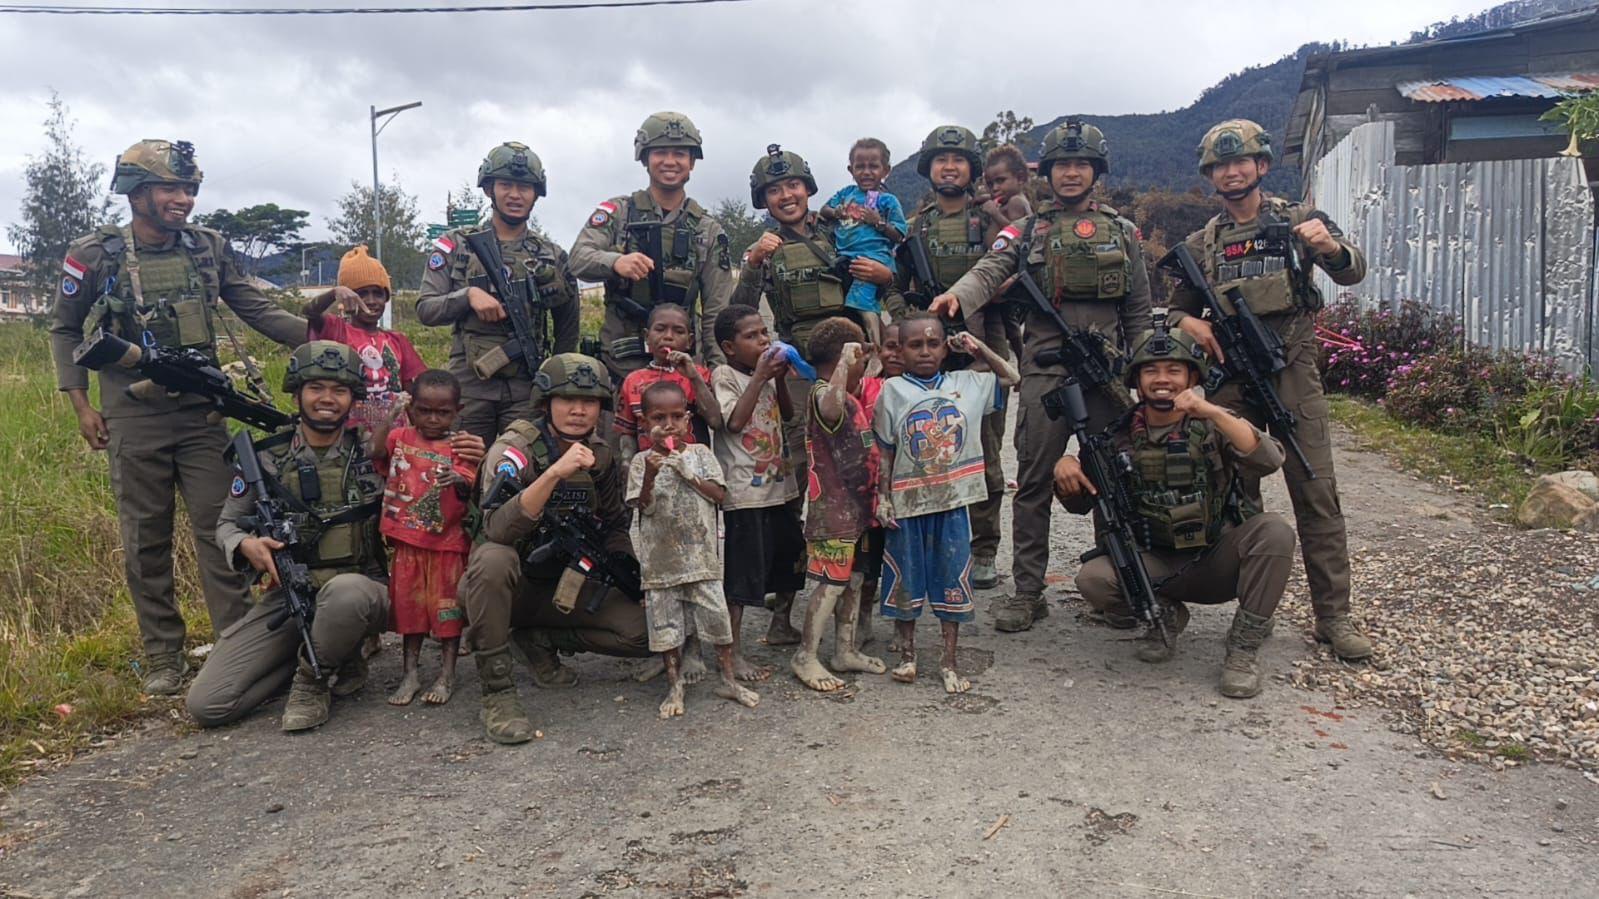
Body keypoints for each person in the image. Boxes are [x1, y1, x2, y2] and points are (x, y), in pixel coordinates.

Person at [49, 139, 308, 695]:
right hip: (132, 415)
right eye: (170, 188)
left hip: (201, 415)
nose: (184, 199)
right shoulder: (95, 255)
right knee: (145, 539)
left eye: (189, 189)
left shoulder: (207, 248)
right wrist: (81, 404)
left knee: (224, 532)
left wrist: (323, 337)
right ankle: (163, 655)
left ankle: (236, 645)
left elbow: (253, 306)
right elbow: (65, 328)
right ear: (136, 193)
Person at [185, 343, 486, 730]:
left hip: (371, 593)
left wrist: (472, 455)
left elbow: (445, 477)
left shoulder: (380, 451)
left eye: (339, 390)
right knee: (209, 704)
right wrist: (246, 544)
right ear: (296, 394)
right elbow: (227, 523)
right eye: (315, 388)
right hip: (294, 595)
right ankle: (326, 654)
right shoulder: (267, 458)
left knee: (347, 593)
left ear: (353, 398)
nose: (327, 399)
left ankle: (312, 682)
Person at [930, 119, 1154, 633]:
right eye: (1062, 165)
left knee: (1112, 477)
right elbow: (990, 269)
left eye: (1081, 165)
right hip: (1044, 369)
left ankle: (1114, 588)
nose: (1071, 173)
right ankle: (1028, 592)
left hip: (1105, 372)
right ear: (1048, 173)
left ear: (1095, 171)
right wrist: (957, 297)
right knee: (1032, 481)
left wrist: (1141, 370)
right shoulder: (1028, 229)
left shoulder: (1122, 232)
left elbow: (1139, 309)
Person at [1164, 119, 1372, 661]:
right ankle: (1254, 607)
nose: (1231, 173)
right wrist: (1189, 324)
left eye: (1241, 162)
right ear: (1210, 175)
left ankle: (1333, 617)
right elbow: (1177, 310)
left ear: (1261, 166)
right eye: (1220, 166)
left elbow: (1352, 270)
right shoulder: (1202, 244)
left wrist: (1329, 247)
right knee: (1235, 492)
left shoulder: (1298, 220)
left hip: (1292, 368)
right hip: (1234, 377)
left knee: (1315, 487)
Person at [1054, 326, 1297, 698]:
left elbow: (1269, 459)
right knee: (1093, 579)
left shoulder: (1214, 424)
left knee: (1274, 532)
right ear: (1136, 380)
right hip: (1157, 565)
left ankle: (1244, 648)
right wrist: (1065, 470)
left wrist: (1211, 410)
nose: (1162, 379)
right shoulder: (1116, 437)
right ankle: (1164, 615)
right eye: (1151, 371)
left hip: (1217, 561)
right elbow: (1080, 504)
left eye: (1174, 370)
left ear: (1192, 378)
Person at [461, 353, 651, 744]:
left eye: (589, 401)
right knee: (493, 560)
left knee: (650, 632)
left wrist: (629, 572)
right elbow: (496, 529)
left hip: (564, 583)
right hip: (506, 589)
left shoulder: (600, 455)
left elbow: (615, 525)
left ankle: (540, 641)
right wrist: (553, 473)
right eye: (567, 399)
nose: (578, 410)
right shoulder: (514, 450)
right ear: (546, 402)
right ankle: (498, 693)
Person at [734, 144, 902, 497]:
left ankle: (871, 525)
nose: (786, 196)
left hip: (852, 360)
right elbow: (739, 312)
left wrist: (886, 276)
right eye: (774, 190)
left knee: (864, 446)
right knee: (797, 453)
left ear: (808, 188)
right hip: (799, 366)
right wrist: (754, 262)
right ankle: (795, 530)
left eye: (793, 185)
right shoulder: (764, 248)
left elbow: (888, 277)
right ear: (763, 199)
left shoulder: (839, 229)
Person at [897, 125, 1015, 593]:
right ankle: (934, 544)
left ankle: (984, 547)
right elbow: (897, 285)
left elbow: (1014, 267)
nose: (949, 167)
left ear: (972, 168)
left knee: (985, 451)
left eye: (958, 159)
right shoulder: (917, 226)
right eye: (940, 160)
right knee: (927, 448)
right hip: (930, 351)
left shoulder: (992, 219)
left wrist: (990, 293)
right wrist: (908, 321)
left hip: (984, 344)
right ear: (928, 169)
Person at [874, 313, 1019, 693]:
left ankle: (949, 660)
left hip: (953, 503)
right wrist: (883, 497)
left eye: (933, 343)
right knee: (906, 579)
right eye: (915, 345)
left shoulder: (967, 383)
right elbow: (886, 450)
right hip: (908, 503)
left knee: (951, 578)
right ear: (900, 350)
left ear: (945, 348)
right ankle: (908, 655)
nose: (924, 351)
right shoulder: (891, 391)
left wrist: (977, 347)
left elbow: (1011, 376)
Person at [417, 141, 580, 446]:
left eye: (525, 187)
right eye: (506, 185)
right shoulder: (457, 246)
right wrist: (467, 296)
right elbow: (426, 309)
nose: (515, 195)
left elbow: (567, 329)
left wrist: (555, 386)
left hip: (526, 387)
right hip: (469, 388)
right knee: (464, 465)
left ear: (536, 193)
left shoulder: (551, 255)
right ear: (489, 189)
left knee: (520, 466)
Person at [569, 112, 734, 387]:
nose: (670, 161)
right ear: (645, 158)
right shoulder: (618, 213)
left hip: (682, 373)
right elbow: (578, 259)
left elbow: (716, 311)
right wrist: (615, 262)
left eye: (680, 154)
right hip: (621, 368)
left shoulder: (707, 230)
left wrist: (719, 377)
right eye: (660, 153)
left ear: (692, 162)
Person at [626, 381, 760, 718]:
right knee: (666, 630)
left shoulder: (700, 454)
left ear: (688, 419)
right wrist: (651, 476)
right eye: (659, 418)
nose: (668, 425)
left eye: (676, 416)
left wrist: (689, 474)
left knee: (718, 623)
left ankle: (728, 680)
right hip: (661, 565)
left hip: (702, 561)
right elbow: (643, 507)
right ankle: (675, 686)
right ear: (644, 422)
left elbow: (719, 495)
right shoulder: (642, 462)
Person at [789, 317, 888, 691]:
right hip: (833, 514)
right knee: (831, 584)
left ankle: (844, 650)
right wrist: (847, 363)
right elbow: (830, 411)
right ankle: (806, 655)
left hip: (858, 510)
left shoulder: (847, 394)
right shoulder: (823, 393)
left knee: (855, 580)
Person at [370, 369, 477, 707]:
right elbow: (375, 450)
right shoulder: (399, 437)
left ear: (457, 411)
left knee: (447, 613)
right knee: (410, 612)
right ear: (411, 408)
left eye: (443, 412)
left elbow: (470, 482)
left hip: (447, 545)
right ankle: (410, 673)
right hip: (407, 543)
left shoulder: (461, 446)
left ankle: (447, 674)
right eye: (424, 411)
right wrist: (390, 416)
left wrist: (456, 479)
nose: (433, 419)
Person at [711, 304, 806, 673]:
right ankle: (732, 651)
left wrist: (778, 379)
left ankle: (781, 624)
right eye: (751, 336)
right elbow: (734, 423)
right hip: (745, 494)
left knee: (791, 557)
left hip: (780, 486)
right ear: (729, 347)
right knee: (743, 574)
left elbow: (789, 414)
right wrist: (761, 376)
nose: (764, 341)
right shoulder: (725, 375)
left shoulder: (764, 375)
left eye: (765, 333)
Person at [305, 244, 427, 434]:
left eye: (377, 293)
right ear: (347, 297)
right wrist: (334, 293)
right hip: (349, 435)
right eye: (361, 294)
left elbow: (414, 393)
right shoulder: (336, 330)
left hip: (393, 436)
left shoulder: (397, 340)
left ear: (386, 298)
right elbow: (310, 311)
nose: (371, 301)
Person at [818, 138, 908, 345]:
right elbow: (824, 210)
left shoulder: (888, 201)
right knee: (842, 305)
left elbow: (899, 235)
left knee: (862, 306)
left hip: (871, 260)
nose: (866, 172)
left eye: (873, 166)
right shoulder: (846, 194)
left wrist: (879, 223)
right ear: (851, 170)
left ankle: (876, 348)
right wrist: (837, 212)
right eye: (860, 167)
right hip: (844, 259)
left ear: (886, 170)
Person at [614, 303, 722, 470]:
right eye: (660, 329)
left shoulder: (699, 375)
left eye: (678, 331)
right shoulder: (633, 381)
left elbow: (715, 421)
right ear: (646, 336)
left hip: (693, 470)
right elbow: (627, 434)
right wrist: (627, 465)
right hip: (650, 469)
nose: (668, 337)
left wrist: (694, 378)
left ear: (689, 341)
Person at [980, 144, 1032, 366]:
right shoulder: (1009, 199)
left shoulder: (1017, 201)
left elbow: (1018, 232)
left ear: (1020, 178)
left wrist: (994, 213)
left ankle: (1018, 363)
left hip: (1007, 272)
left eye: (1000, 181)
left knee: (1007, 324)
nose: (995, 188)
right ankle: (1020, 364)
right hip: (1003, 270)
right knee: (1009, 324)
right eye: (991, 183)